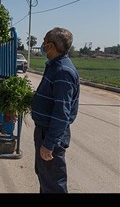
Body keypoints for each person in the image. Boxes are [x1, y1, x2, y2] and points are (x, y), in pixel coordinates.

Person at [31, 27, 80, 193]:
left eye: (44, 41)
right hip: (44, 131)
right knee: (46, 178)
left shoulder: (62, 72)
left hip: (50, 133)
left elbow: (62, 113)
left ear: (51, 46)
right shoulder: (54, 66)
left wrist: (50, 143)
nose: (42, 45)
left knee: (53, 184)